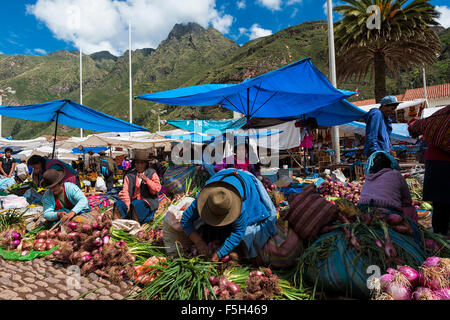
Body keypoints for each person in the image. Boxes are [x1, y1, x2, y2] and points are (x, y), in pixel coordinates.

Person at [180, 168, 277, 262]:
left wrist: (220, 253)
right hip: (225, 175)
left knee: (251, 234)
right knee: (202, 226)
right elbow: (185, 220)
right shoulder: (204, 199)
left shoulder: (239, 206)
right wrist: (199, 241)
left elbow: (238, 232)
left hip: (246, 182)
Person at [409, 105, 450, 235]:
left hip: (435, 165)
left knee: (439, 205)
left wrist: (412, 123)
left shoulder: (439, 115)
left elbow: (414, 127)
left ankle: (440, 235)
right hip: (441, 165)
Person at [357, 151, 417, 222]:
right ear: (389, 164)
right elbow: (407, 200)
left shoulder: (369, 177)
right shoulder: (395, 174)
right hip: (387, 211)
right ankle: (411, 231)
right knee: (411, 209)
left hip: (362, 210)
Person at [113, 149, 162, 224]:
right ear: (134, 164)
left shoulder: (152, 173)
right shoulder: (129, 175)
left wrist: (146, 179)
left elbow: (157, 188)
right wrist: (127, 204)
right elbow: (125, 191)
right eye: (137, 163)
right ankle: (117, 226)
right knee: (118, 204)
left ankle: (135, 226)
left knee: (136, 204)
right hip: (131, 203)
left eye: (142, 163)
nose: (139, 165)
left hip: (147, 202)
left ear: (146, 164)